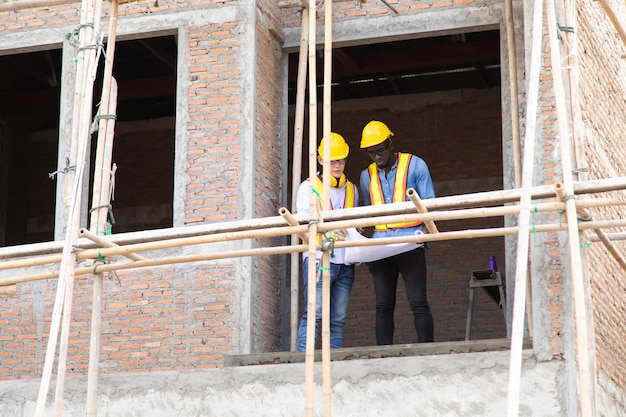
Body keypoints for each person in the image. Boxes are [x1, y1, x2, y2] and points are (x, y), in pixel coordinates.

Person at [359, 120, 435, 345]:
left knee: (418, 301)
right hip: (381, 247)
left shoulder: (415, 165)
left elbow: (430, 204)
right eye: (371, 153)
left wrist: (423, 232)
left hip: (411, 242)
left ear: (390, 143)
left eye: (380, 150)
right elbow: (368, 210)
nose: (376, 157)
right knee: (383, 305)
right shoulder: (367, 175)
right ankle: (383, 354)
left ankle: (426, 350)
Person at [296, 132, 359, 351]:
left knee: (338, 320)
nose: (337, 166)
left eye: (341, 160)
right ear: (321, 160)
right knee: (314, 314)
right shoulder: (309, 187)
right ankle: (304, 362)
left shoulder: (352, 189)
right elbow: (304, 224)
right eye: (333, 161)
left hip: (345, 263)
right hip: (319, 260)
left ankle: (334, 363)